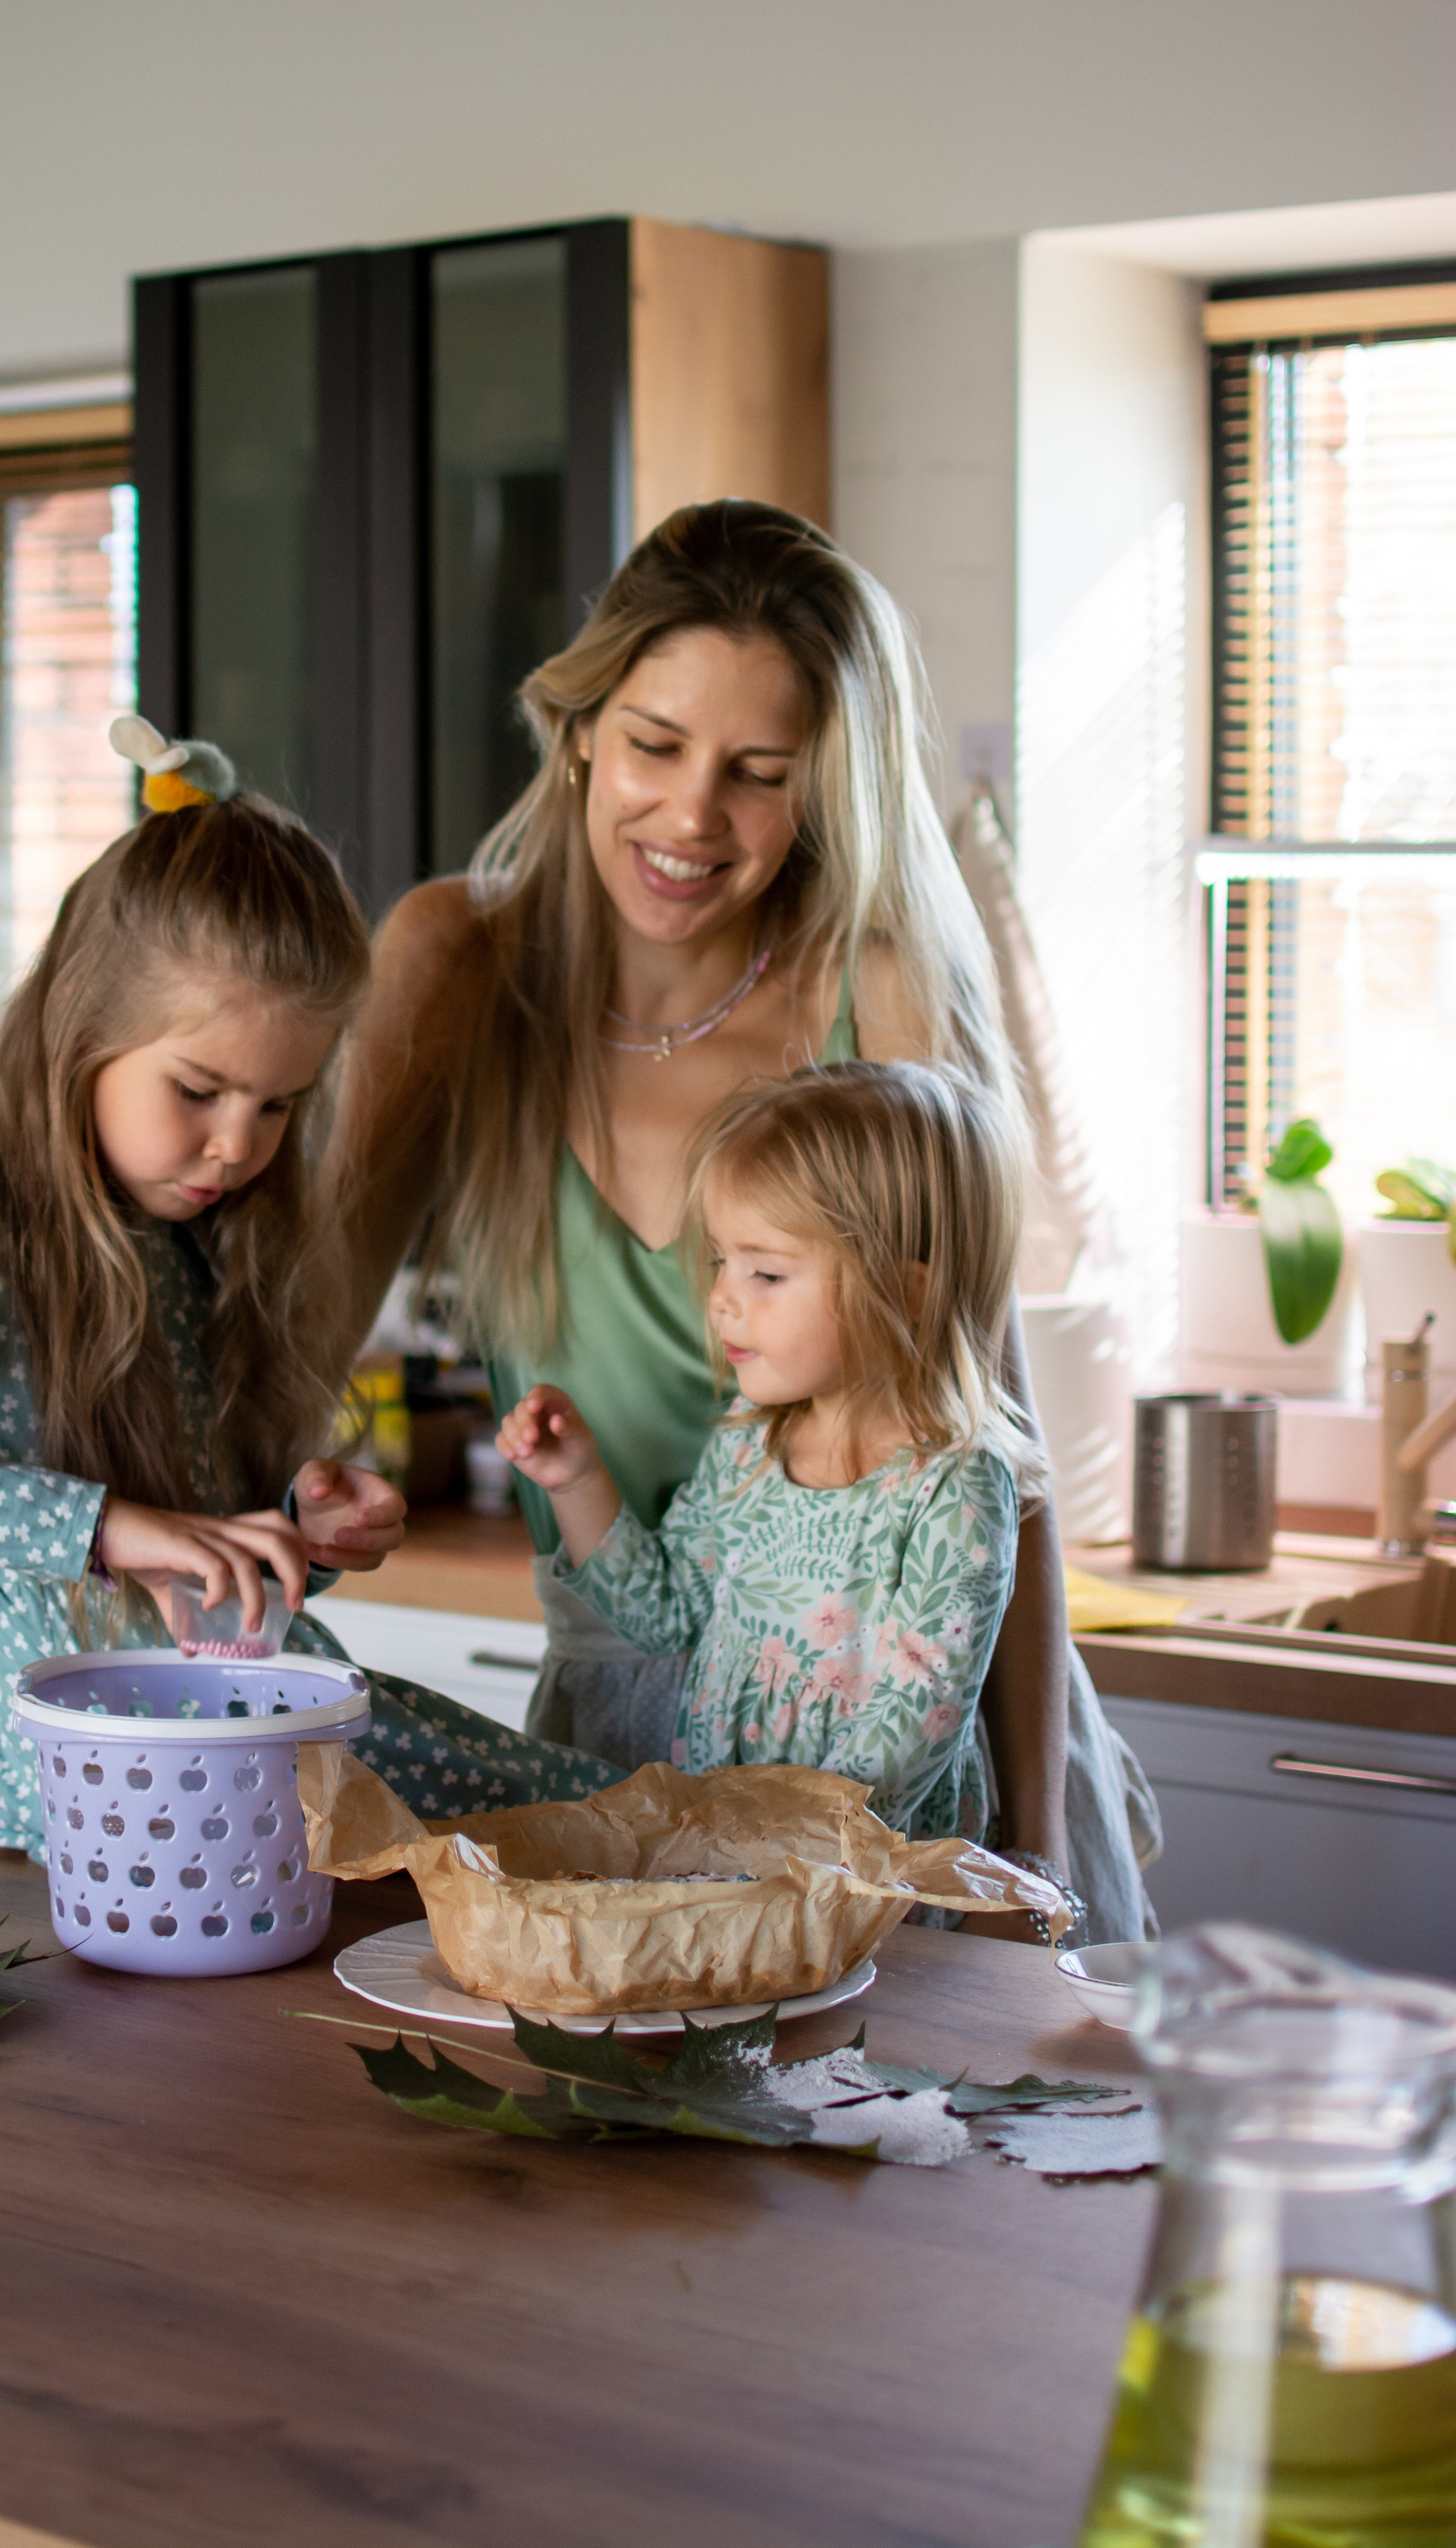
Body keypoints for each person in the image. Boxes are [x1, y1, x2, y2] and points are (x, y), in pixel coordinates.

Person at [325, 500, 1153, 1940]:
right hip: (625, 1722)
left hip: (920, 1771)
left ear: (826, 790)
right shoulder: (457, 965)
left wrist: (1035, 1826)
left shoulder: (877, 989)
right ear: (581, 729)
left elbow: (992, 1441)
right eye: (653, 746)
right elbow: (291, 1339)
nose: (693, 817)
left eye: (759, 775)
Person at [0, 736, 617, 1862]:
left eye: (279, 1106)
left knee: (543, 1794)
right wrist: (108, 1531)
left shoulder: (208, 1225)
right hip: (108, 1779)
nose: (234, 1145)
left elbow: (202, 1544)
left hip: (204, 1724)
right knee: (583, 1811)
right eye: (200, 1090)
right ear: (86, 1028)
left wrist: (298, 1529)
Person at [497, 1060, 1033, 1841]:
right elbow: (663, 1616)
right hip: (730, 1859)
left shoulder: (953, 1486)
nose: (721, 1296)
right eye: (721, 1260)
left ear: (908, 1293)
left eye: (767, 1272)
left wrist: (782, 1841)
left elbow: (912, 1730)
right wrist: (577, 1480)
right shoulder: (748, 1444)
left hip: (861, 1884)